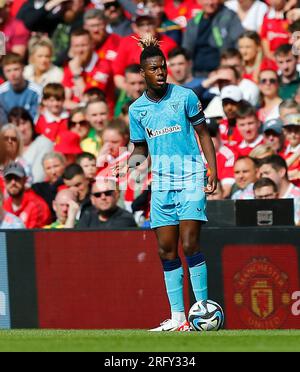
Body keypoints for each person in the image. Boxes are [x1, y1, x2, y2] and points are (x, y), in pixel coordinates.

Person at [115, 35, 217, 331]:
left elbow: (204, 134)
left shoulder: (184, 96)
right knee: (166, 250)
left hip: (189, 176)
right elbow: (140, 150)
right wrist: (127, 167)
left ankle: (203, 310)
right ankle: (177, 318)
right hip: (161, 182)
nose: (161, 72)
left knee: (190, 243)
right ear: (142, 73)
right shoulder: (137, 110)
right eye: (154, 69)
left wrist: (213, 170)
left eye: (163, 67)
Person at [113, 12, 177, 90]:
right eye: (141, 25)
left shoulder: (169, 44)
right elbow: (118, 75)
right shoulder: (126, 42)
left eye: (149, 24)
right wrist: (133, 91)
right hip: (134, 91)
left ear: (156, 24)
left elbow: (173, 76)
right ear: (134, 27)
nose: (146, 28)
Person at [183, 0, 244, 76]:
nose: (210, 3)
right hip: (195, 74)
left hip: (222, 73)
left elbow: (240, 43)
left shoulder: (230, 17)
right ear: (199, 1)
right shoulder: (193, 22)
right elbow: (186, 50)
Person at [63, 29, 114, 113]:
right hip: (77, 118)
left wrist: (76, 75)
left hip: (100, 118)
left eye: (83, 45)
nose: (80, 50)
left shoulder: (103, 66)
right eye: (76, 46)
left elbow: (90, 100)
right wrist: (79, 106)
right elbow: (65, 101)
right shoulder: (70, 66)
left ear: (92, 44)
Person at [8, 107, 54, 183]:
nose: (22, 129)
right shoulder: (8, 148)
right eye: (17, 125)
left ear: (31, 123)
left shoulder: (44, 143)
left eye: (24, 123)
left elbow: (37, 178)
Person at [73, 178, 137, 229]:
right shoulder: (87, 216)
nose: (103, 197)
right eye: (97, 195)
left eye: (107, 193)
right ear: (92, 199)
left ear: (116, 195)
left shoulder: (126, 218)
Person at [3, 162, 51, 228]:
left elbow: (35, 236)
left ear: (25, 180)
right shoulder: (4, 206)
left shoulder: (37, 205)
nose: (13, 182)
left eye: (17, 178)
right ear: (4, 182)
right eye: (9, 179)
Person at [258, 154, 300, 225]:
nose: (263, 177)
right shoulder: (260, 196)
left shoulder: (298, 197)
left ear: (281, 172)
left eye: (266, 173)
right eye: (261, 174)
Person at [0, 53, 42, 121]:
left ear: (23, 69)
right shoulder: (1, 92)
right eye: (8, 71)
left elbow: (36, 118)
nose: (12, 74)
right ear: (3, 72)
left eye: (16, 69)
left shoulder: (37, 91)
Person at [32, 152, 66, 218]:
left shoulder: (72, 186)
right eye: (48, 168)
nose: (53, 172)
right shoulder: (38, 189)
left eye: (56, 166)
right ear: (44, 170)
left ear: (64, 165)